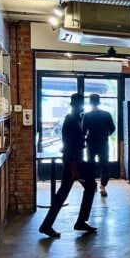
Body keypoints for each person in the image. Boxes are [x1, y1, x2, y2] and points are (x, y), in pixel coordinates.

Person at [39, 93, 97, 237]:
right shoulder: (71, 121)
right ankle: (77, 222)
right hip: (73, 162)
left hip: (74, 160)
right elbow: (69, 146)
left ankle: (48, 225)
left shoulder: (75, 119)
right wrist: (73, 168)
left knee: (68, 192)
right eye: (80, 104)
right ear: (74, 105)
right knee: (82, 188)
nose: (82, 107)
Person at [83, 94, 116, 197]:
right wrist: (106, 134)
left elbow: (83, 131)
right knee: (104, 166)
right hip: (103, 143)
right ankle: (103, 187)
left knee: (90, 165)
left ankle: (92, 186)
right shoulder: (106, 114)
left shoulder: (87, 115)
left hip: (91, 143)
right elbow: (112, 128)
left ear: (90, 102)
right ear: (99, 102)